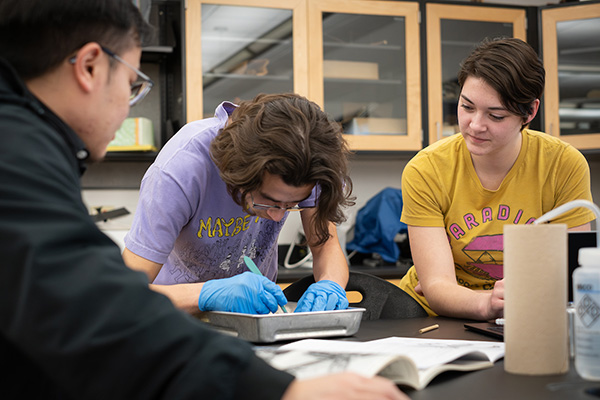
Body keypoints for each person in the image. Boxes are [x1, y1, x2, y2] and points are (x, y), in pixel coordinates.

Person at [0, 1, 408, 399]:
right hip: (181, 335)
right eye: (131, 86)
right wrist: (279, 389)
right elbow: (104, 303)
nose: (127, 108)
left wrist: (331, 287)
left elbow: (324, 243)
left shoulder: (29, 141)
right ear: (90, 66)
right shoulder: (21, 156)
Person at [399, 37, 595, 321]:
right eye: (467, 107)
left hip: (528, 315)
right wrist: (485, 303)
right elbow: (437, 287)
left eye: (496, 115)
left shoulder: (563, 164)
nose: (476, 125)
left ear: (529, 112)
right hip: (435, 320)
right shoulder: (426, 170)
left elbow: (573, 273)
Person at [122, 93, 353, 315]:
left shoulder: (308, 160)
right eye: (269, 201)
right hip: (175, 319)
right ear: (238, 173)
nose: (277, 216)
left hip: (253, 321)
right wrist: (207, 295)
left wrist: (330, 284)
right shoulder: (183, 169)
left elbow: (324, 245)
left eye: (292, 204)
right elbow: (125, 295)